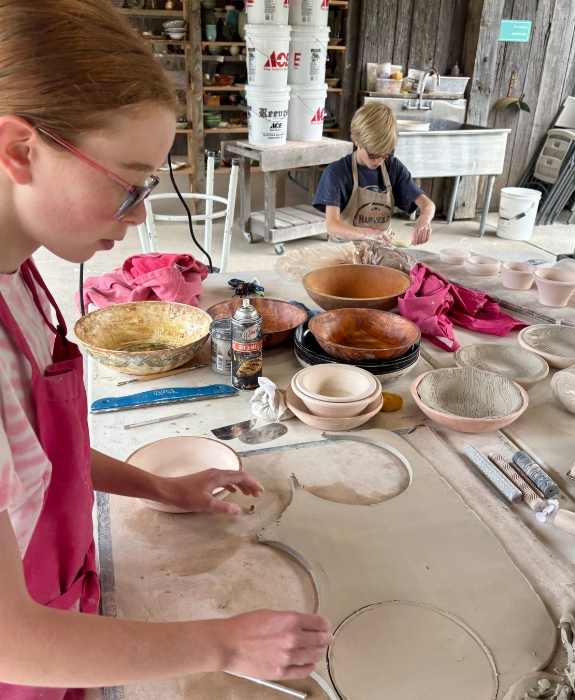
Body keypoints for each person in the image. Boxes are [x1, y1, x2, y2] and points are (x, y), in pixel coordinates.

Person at [0, 1, 329, 695]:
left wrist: (157, 486)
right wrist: (221, 643)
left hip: (69, 604)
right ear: (20, 151)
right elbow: (13, 644)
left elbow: (32, 450)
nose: (143, 214)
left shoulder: (18, 275)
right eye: (128, 184)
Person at [313, 103, 433, 245]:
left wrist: (424, 220)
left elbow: (428, 205)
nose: (378, 161)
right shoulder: (336, 173)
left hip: (380, 248)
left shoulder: (393, 168)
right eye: (373, 155)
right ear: (357, 140)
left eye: (385, 155)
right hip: (343, 250)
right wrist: (367, 234)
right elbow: (332, 226)